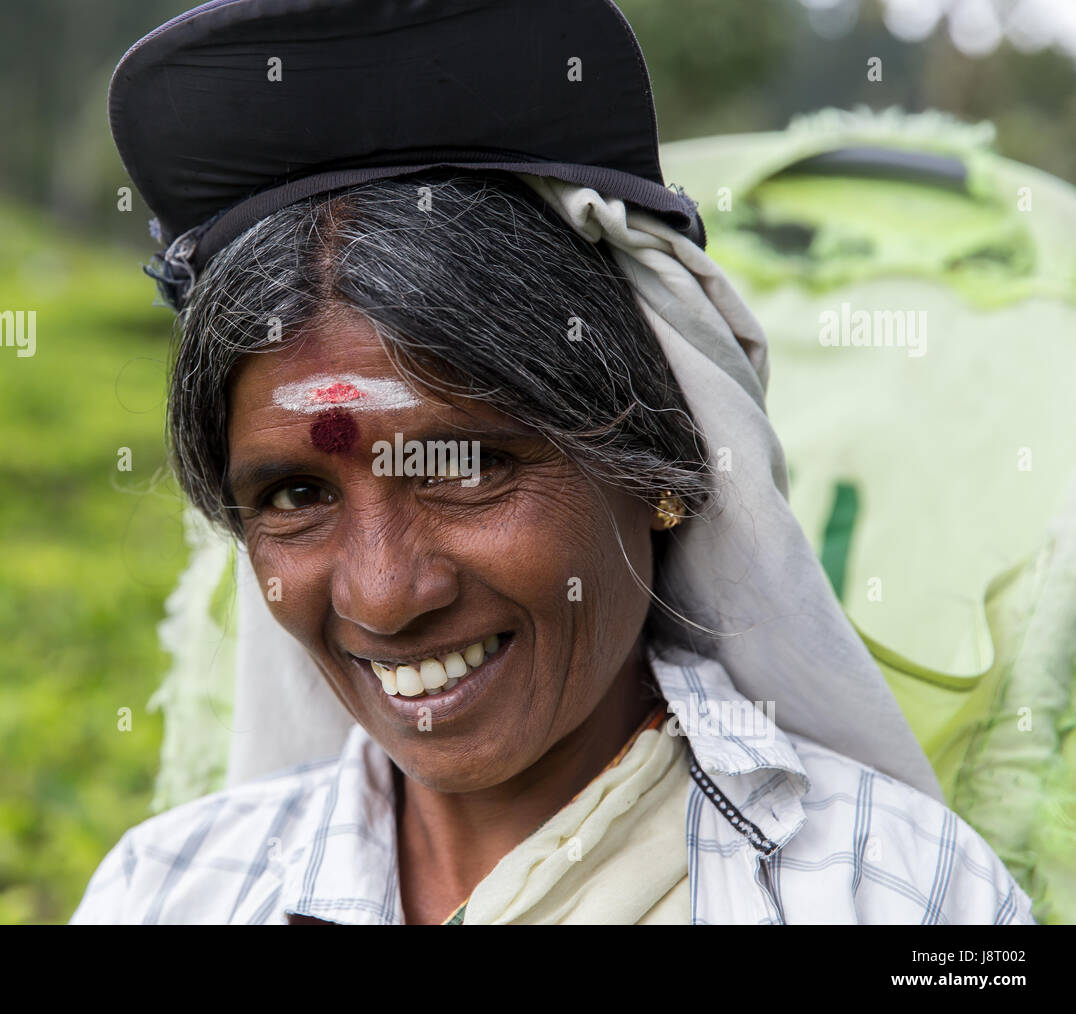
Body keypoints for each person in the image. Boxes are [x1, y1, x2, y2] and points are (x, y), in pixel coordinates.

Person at [71, 0, 1035, 925]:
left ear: (659, 464)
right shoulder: (164, 893)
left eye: (464, 468)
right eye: (294, 494)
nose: (382, 595)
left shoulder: (897, 894)